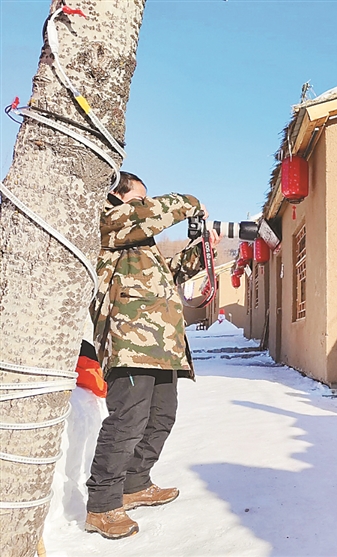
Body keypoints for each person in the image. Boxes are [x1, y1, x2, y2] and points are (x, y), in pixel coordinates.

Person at [84, 172, 220, 538]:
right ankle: (102, 505)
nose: (145, 205)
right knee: (126, 422)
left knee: (161, 416)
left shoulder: (142, 246)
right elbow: (148, 214)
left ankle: (135, 483)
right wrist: (189, 202)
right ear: (116, 197)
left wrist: (201, 248)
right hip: (128, 344)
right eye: (139, 199)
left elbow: (172, 273)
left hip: (163, 349)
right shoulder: (108, 222)